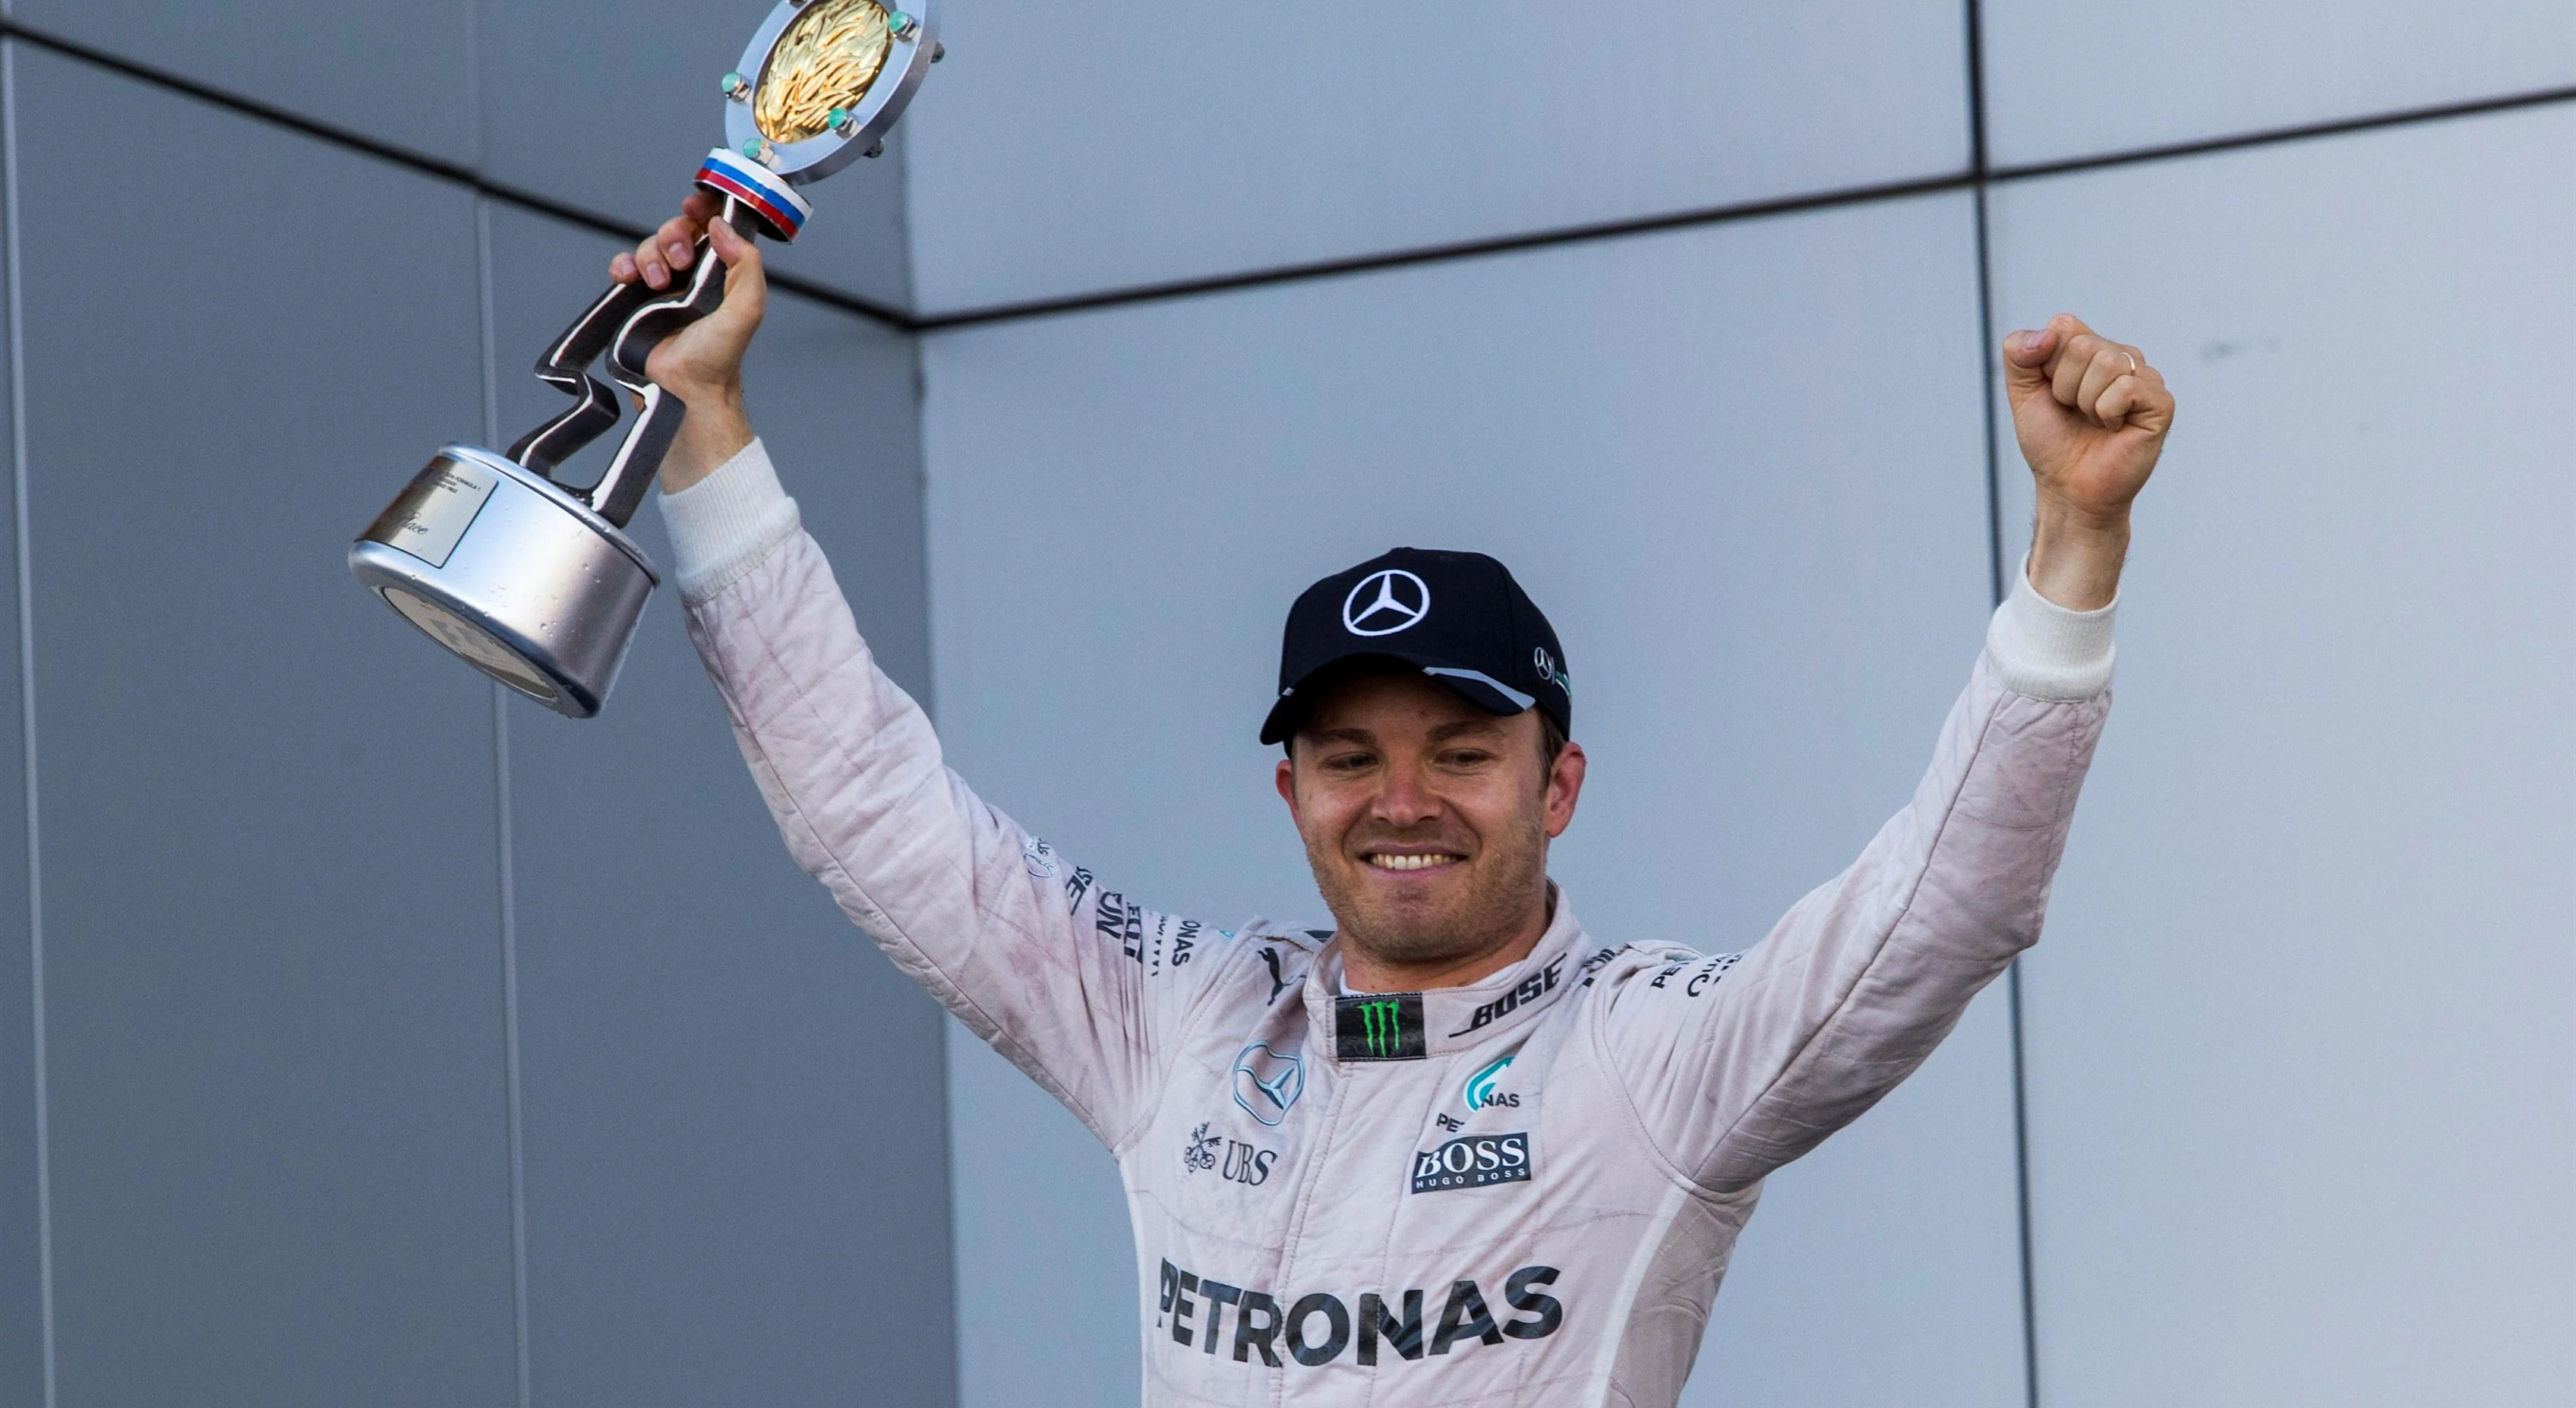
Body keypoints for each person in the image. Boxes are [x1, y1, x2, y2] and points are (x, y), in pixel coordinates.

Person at [610, 197, 2173, 1406]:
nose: (1402, 799)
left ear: (1557, 786)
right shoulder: (1182, 1020)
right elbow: (870, 805)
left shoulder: (1653, 1058)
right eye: (1351, 756)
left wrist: (2069, 551)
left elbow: (1943, 908)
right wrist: (706, 427)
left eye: (1462, 749)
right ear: (1289, 790)